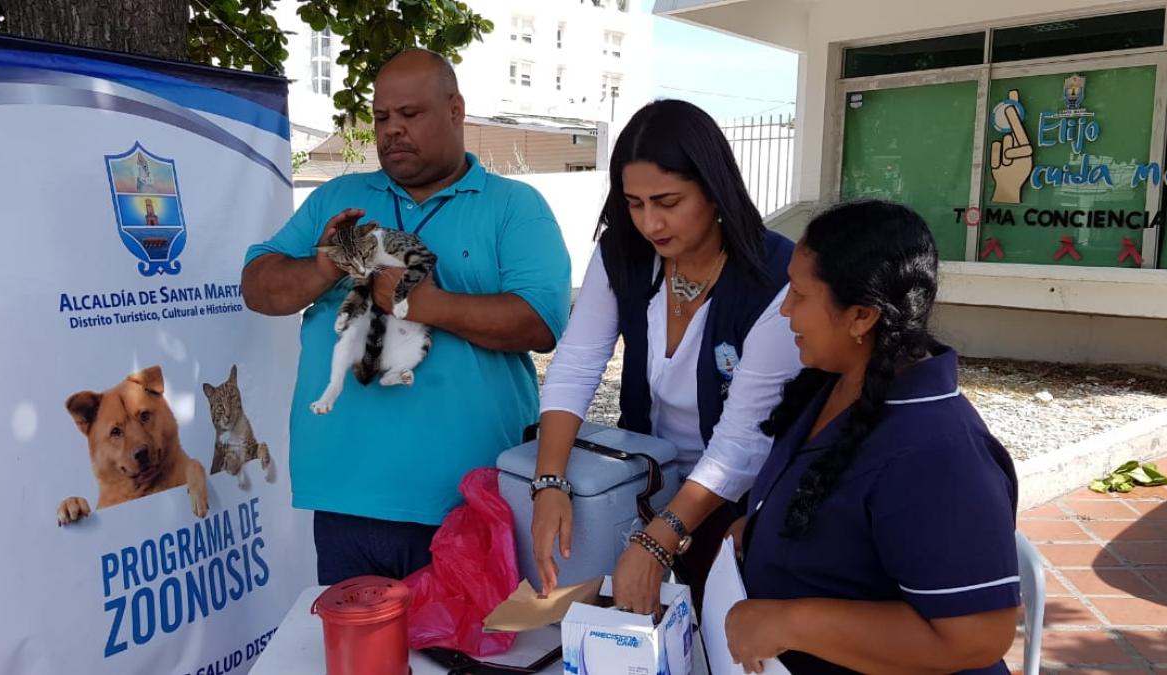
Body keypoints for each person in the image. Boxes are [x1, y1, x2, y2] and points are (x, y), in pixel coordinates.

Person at [241, 49, 571, 584]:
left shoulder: (514, 206)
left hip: (470, 499)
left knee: (465, 663)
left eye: (410, 115)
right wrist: (326, 265)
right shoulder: (338, 198)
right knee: (361, 662)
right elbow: (258, 287)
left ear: (455, 110)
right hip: (346, 492)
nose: (392, 130)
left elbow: (540, 322)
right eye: (381, 117)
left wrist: (423, 304)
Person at [530, 99, 801, 614]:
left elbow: (742, 442)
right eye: (634, 203)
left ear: (714, 189)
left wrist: (660, 539)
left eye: (668, 201)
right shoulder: (623, 253)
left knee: (717, 631)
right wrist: (549, 482)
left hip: (740, 502)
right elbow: (577, 364)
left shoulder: (775, 278)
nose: (650, 223)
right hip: (645, 481)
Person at [725, 200, 1019, 673]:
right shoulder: (833, 384)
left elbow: (978, 636)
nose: (784, 309)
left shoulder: (937, 453)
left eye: (799, 295)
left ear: (861, 317)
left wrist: (792, 622)